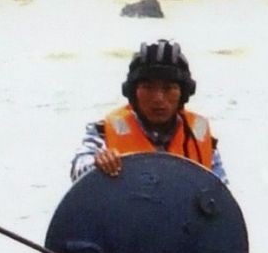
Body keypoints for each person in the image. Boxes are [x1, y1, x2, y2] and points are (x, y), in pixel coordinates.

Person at [71, 39, 227, 184]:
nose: (158, 98)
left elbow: (222, 194)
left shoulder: (200, 134)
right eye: (148, 87)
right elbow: (78, 169)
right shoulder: (103, 132)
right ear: (133, 92)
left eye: (168, 88)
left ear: (183, 94)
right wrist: (98, 163)